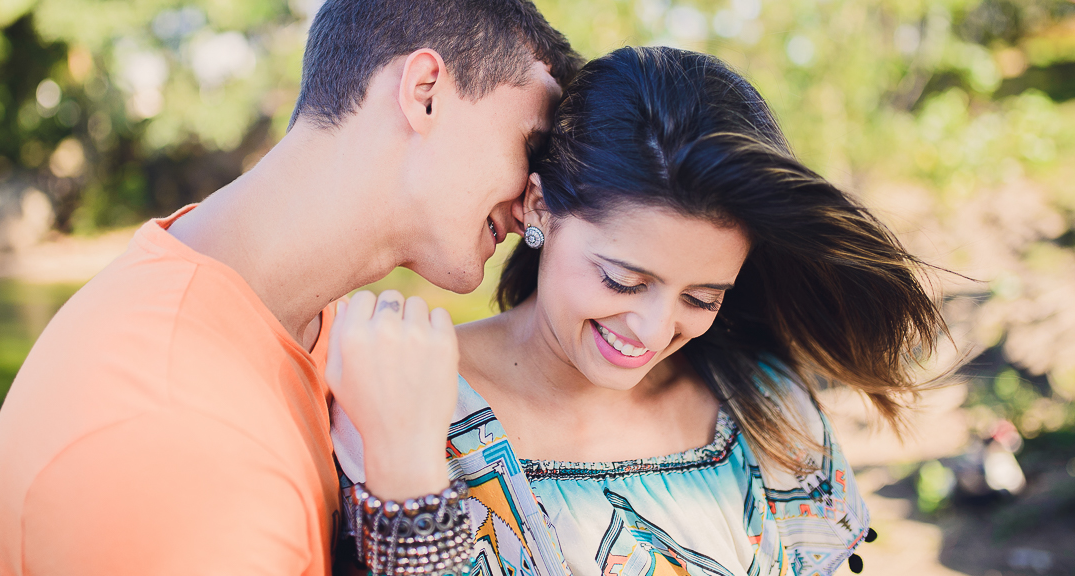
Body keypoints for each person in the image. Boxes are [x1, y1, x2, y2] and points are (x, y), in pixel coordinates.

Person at [0, 0, 583, 576]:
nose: (533, 206)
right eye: (531, 145)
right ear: (425, 91)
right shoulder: (167, 429)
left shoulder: (323, 330)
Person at [327, 46, 947, 576]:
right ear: (540, 208)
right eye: (622, 280)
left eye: (702, 297)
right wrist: (407, 478)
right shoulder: (408, 396)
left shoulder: (768, 404)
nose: (653, 330)